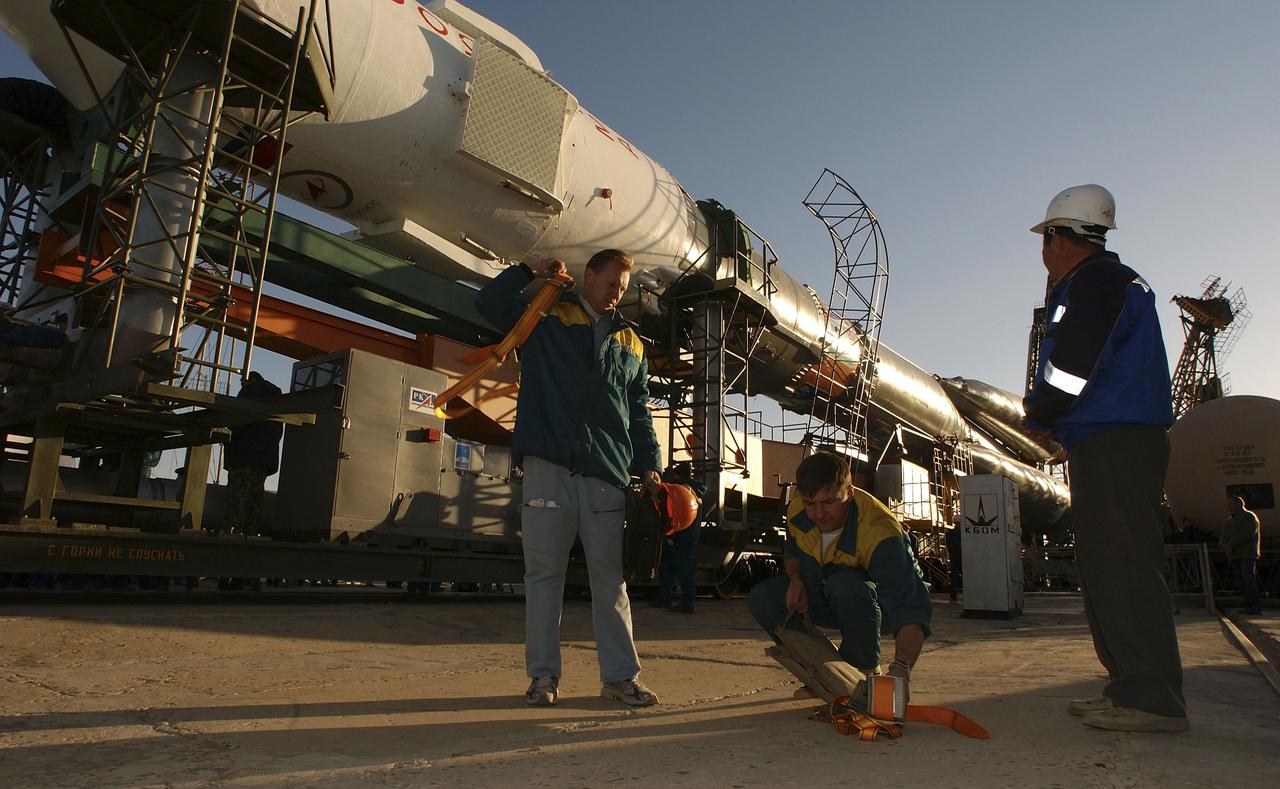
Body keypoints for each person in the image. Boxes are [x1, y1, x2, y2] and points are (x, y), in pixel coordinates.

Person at [1023, 184, 1187, 733]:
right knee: (1106, 567)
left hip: (1117, 438)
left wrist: (1040, 414)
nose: (1042, 253)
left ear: (1059, 238)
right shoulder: (1101, 282)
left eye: (1045, 240)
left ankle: (1151, 698)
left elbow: (1071, 368)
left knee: (1123, 567)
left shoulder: (1097, 283)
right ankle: (1128, 686)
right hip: (1104, 438)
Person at [476, 249, 663, 708]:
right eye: (611, 282)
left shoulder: (633, 343)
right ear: (589, 275)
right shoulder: (546, 315)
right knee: (543, 577)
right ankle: (543, 679)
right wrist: (527, 272)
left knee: (610, 580)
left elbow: (637, 410)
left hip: (607, 473)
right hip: (548, 466)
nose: (616, 293)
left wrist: (651, 464)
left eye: (623, 287)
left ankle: (619, 679)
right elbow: (488, 305)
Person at [747, 451, 932, 697]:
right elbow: (792, 546)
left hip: (880, 608)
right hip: (823, 595)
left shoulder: (880, 533)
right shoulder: (798, 510)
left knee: (844, 584)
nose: (818, 514)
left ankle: (862, 673)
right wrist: (795, 579)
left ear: (850, 493)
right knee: (765, 598)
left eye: (829, 502)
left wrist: (901, 668)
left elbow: (909, 607)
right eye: (811, 503)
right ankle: (823, 675)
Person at [223, 371, 283, 535]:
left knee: (238, 498)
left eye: (244, 381)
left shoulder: (248, 393)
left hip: (242, 457)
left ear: (252, 380)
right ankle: (250, 533)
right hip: (263, 460)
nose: (242, 385)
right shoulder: (275, 396)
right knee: (255, 499)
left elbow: (236, 422)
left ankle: (233, 531)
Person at [651, 462, 705, 614]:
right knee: (676, 567)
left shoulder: (680, 489)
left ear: (677, 475)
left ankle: (685, 602)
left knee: (679, 568)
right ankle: (669, 598)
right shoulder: (694, 490)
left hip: (680, 535)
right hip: (688, 535)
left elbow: (672, 512)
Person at [1221, 496, 1263, 615]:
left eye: (1231, 504)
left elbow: (1247, 534)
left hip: (1247, 554)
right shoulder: (1229, 521)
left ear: (1239, 504)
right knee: (1241, 582)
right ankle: (1248, 605)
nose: (1228, 507)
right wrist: (1224, 546)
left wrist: (1231, 545)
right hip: (1234, 555)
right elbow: (1223, 537)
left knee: (1248, 579)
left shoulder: (1249, 517)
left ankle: (1255, 607)